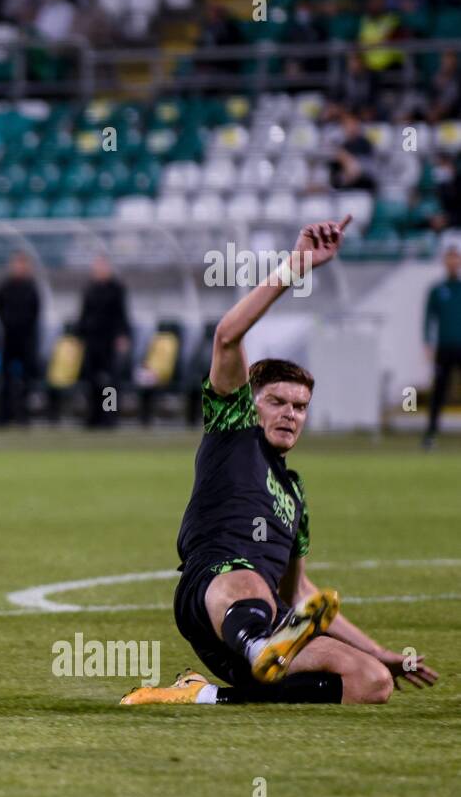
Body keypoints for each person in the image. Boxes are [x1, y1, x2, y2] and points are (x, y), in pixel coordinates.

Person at [122, 217, 439, 706]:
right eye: (278, 401)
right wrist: (299, 265)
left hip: (270, 625)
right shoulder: (234, 428)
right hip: (214, 595)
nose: (290, 413)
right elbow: (228, 335)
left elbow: (301, 594)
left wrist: (382, 652)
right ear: (253, 401)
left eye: (300, 406)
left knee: (370, 683)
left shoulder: (294, 495)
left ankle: (205, 695)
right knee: (249, 577)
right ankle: (258, 647)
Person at [77, 256, 130, 428]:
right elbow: (83, 315)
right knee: (91, 381)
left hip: (110, 341)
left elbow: (122, 315)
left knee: (111, 382)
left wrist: (122, 336)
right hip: (92, 341)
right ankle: (93, 416)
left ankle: (110, 416)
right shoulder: (89, 289)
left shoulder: (116, 289)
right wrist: (80, 337)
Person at [0, 252, 40, 425]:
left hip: (26, 339)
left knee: (26, 379)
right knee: (5, 378)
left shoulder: (31, 288)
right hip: (8, 338)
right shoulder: (4, 287)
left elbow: (35, 312)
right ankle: (4, 414)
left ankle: (24, 415)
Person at [423, 244, 461, 448]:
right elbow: (428, 319)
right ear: (445, 262)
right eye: (450, 258)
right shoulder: (437, 290)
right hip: (444, 348)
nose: (453, 262)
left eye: (456, 258)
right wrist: (427, 343)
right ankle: (430, 435)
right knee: (439, 392)